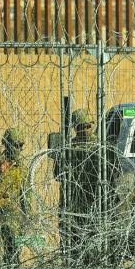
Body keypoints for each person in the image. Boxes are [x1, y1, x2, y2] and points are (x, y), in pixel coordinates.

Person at [60, 109, 99, 260]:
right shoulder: (68, 148)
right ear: (75, 128)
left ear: (93, 125)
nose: (85, 130)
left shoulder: (101, 147)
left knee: (93, 235)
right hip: (72, 199)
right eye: (80, 127)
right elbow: (57, 173)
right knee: (71, 237)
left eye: (87, 126)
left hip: (94, 199)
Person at [0, 127, 27, 266]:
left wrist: (29, 214)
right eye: (16, 145)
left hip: (12, 213)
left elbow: (27, 193)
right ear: (7, 144)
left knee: (13, 246)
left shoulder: (22, 167)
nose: (18, 149)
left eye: (21, 146)